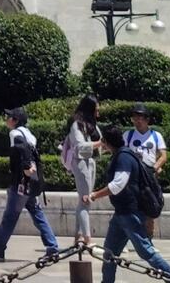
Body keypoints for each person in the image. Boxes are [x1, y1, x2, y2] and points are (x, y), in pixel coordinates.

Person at [83, 125, 170, 283]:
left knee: (146, 252)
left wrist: (94, 195)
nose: (102, 146)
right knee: (109, 254)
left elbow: (117, 185)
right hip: (121, 214)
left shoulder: (124, 158)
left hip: (130, 214)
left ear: (106, 142)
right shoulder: (122, 155)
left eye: (103, 142)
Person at [0, 107, 58, 262]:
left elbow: (21, 150)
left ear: (15, 121)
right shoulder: (30, 134)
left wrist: (25, 168)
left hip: (21, 183)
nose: (6, 119)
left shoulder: (15, 134)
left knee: (10, 216)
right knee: (37, 214)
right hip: (32, 182)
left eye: (9, 117)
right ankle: (52, 246)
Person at [124, 105, 168, 238]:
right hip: (132, 177)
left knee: (150, 208)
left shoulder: (156, 136)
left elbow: (163, 155)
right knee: (129, 209)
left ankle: (148, 240)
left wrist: (155, 167)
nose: (138, 121)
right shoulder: (128, 135)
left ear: (147, 120)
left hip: (149, 176)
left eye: (141, 118)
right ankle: (126, 239)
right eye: (135, 118)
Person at [66, 95, 102, 247]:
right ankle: (87, 239)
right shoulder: (77, 125)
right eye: (96, 110)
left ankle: (78, 236)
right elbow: (80, 146)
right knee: (85, 200)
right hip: (81, 162)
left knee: (84, 200)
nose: (98, 113)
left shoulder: (91, 124)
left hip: (91, 162)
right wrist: (100, 143)